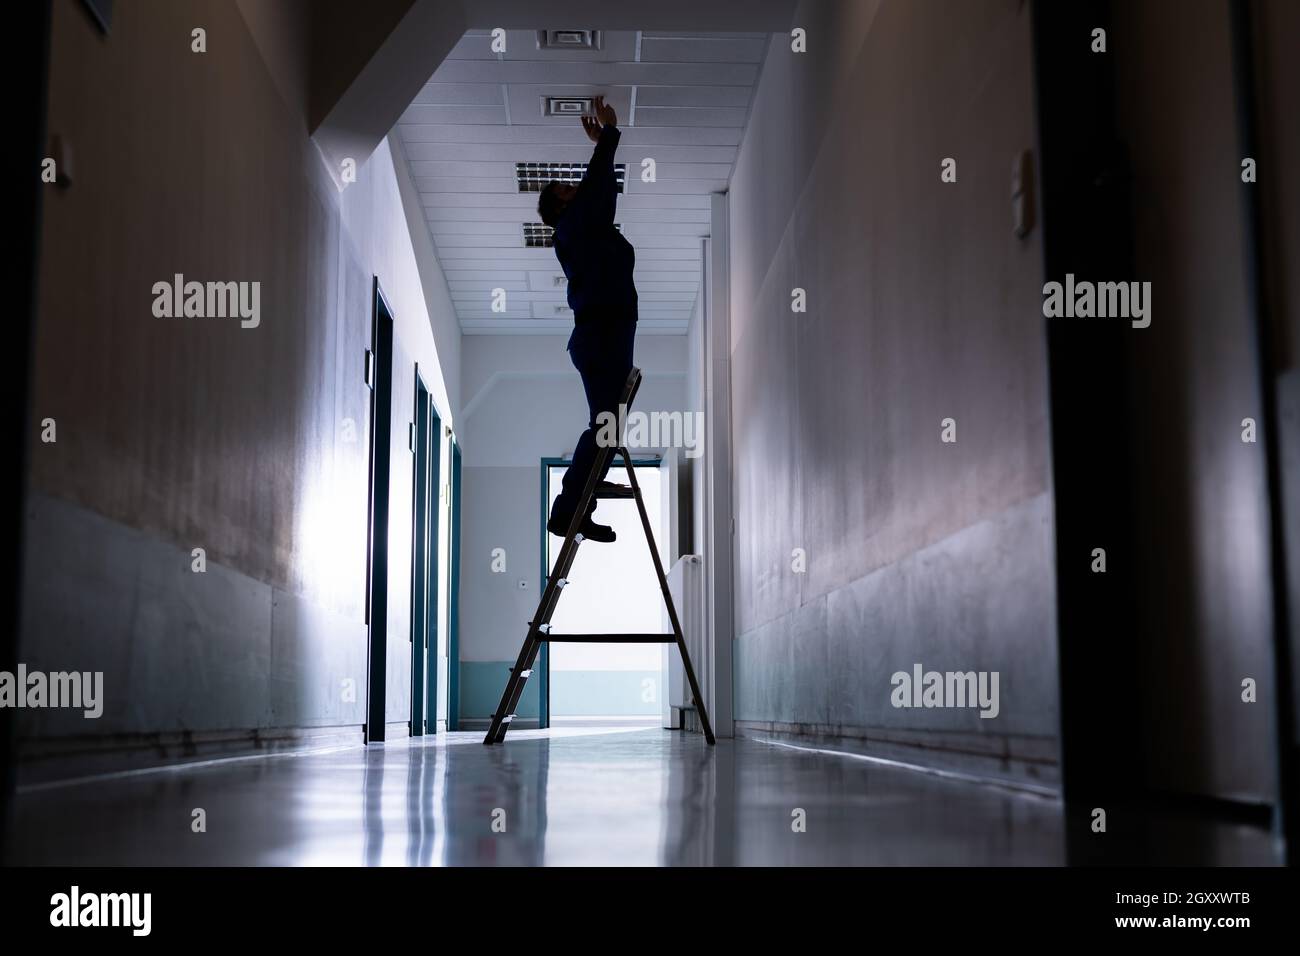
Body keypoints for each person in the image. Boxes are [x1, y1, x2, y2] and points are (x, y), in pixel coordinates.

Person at [537, 95, 638, 544]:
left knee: (608, 421)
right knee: (606, 422)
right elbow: (598, 190)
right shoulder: (573, 227)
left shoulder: (579, 228)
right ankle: (570, 507)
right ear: (561, 209)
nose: (574, 189)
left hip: (603, 333)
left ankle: (580, 497)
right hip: (601, 334)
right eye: (566, 191)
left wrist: (604, 145)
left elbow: (597, 192)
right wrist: (608, 138)